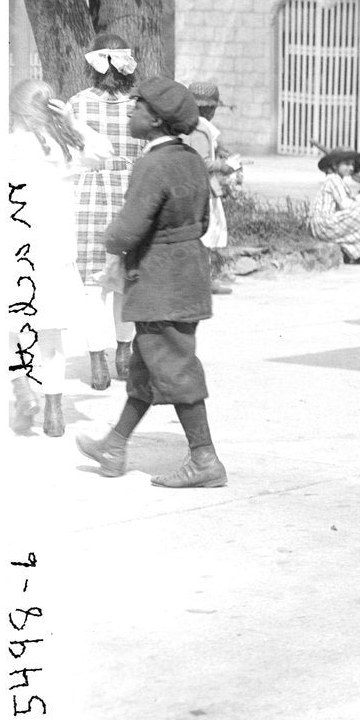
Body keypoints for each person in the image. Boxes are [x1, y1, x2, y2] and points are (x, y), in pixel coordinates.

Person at [75, 78, 227, 489]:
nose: (130, 111)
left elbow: (126, 232)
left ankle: (204, 459)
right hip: (186, 275)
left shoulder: (151, 164)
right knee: (147, 368)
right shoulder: (192, 158)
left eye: (137, 106)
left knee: (175, 368)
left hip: (161, 282)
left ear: (156, 119)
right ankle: (115, 446)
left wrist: (108, 239)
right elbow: (202, 222)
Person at [8, 79, 113, 438]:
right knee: (51, 336)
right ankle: (54, 409)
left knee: (9, 327)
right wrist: (72, 121)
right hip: (56, 254)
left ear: (16, 111)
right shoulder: (64, 149)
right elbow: (105, 151)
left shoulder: (8, 148)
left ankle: (21, 386)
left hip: (15, 252)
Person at [68, 31, 143, 390]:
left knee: (92, 286)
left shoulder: (77, 105)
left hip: (89, 196)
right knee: (125, 279)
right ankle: (124, 354)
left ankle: (96, 361)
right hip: (131, 197)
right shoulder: (139, 106)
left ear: (94, 66)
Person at [184, 82, 242, 295]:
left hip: (197, 188)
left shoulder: (192, 125)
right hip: (203, 190)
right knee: (207, 235)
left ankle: (201, 279)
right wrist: (223, 166)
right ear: (210, 109)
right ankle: (204, 281)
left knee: (203, 236)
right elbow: (203, 161)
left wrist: (221, 151)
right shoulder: (201, 127)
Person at [307, 151, 360, 265]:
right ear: (335, 166)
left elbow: (357, 200)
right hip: (324, 224)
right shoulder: (333, 179)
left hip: (328, 224)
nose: (351, 167)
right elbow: (346, 205)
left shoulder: (338, 180)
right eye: (347, 164)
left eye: (352, 165)